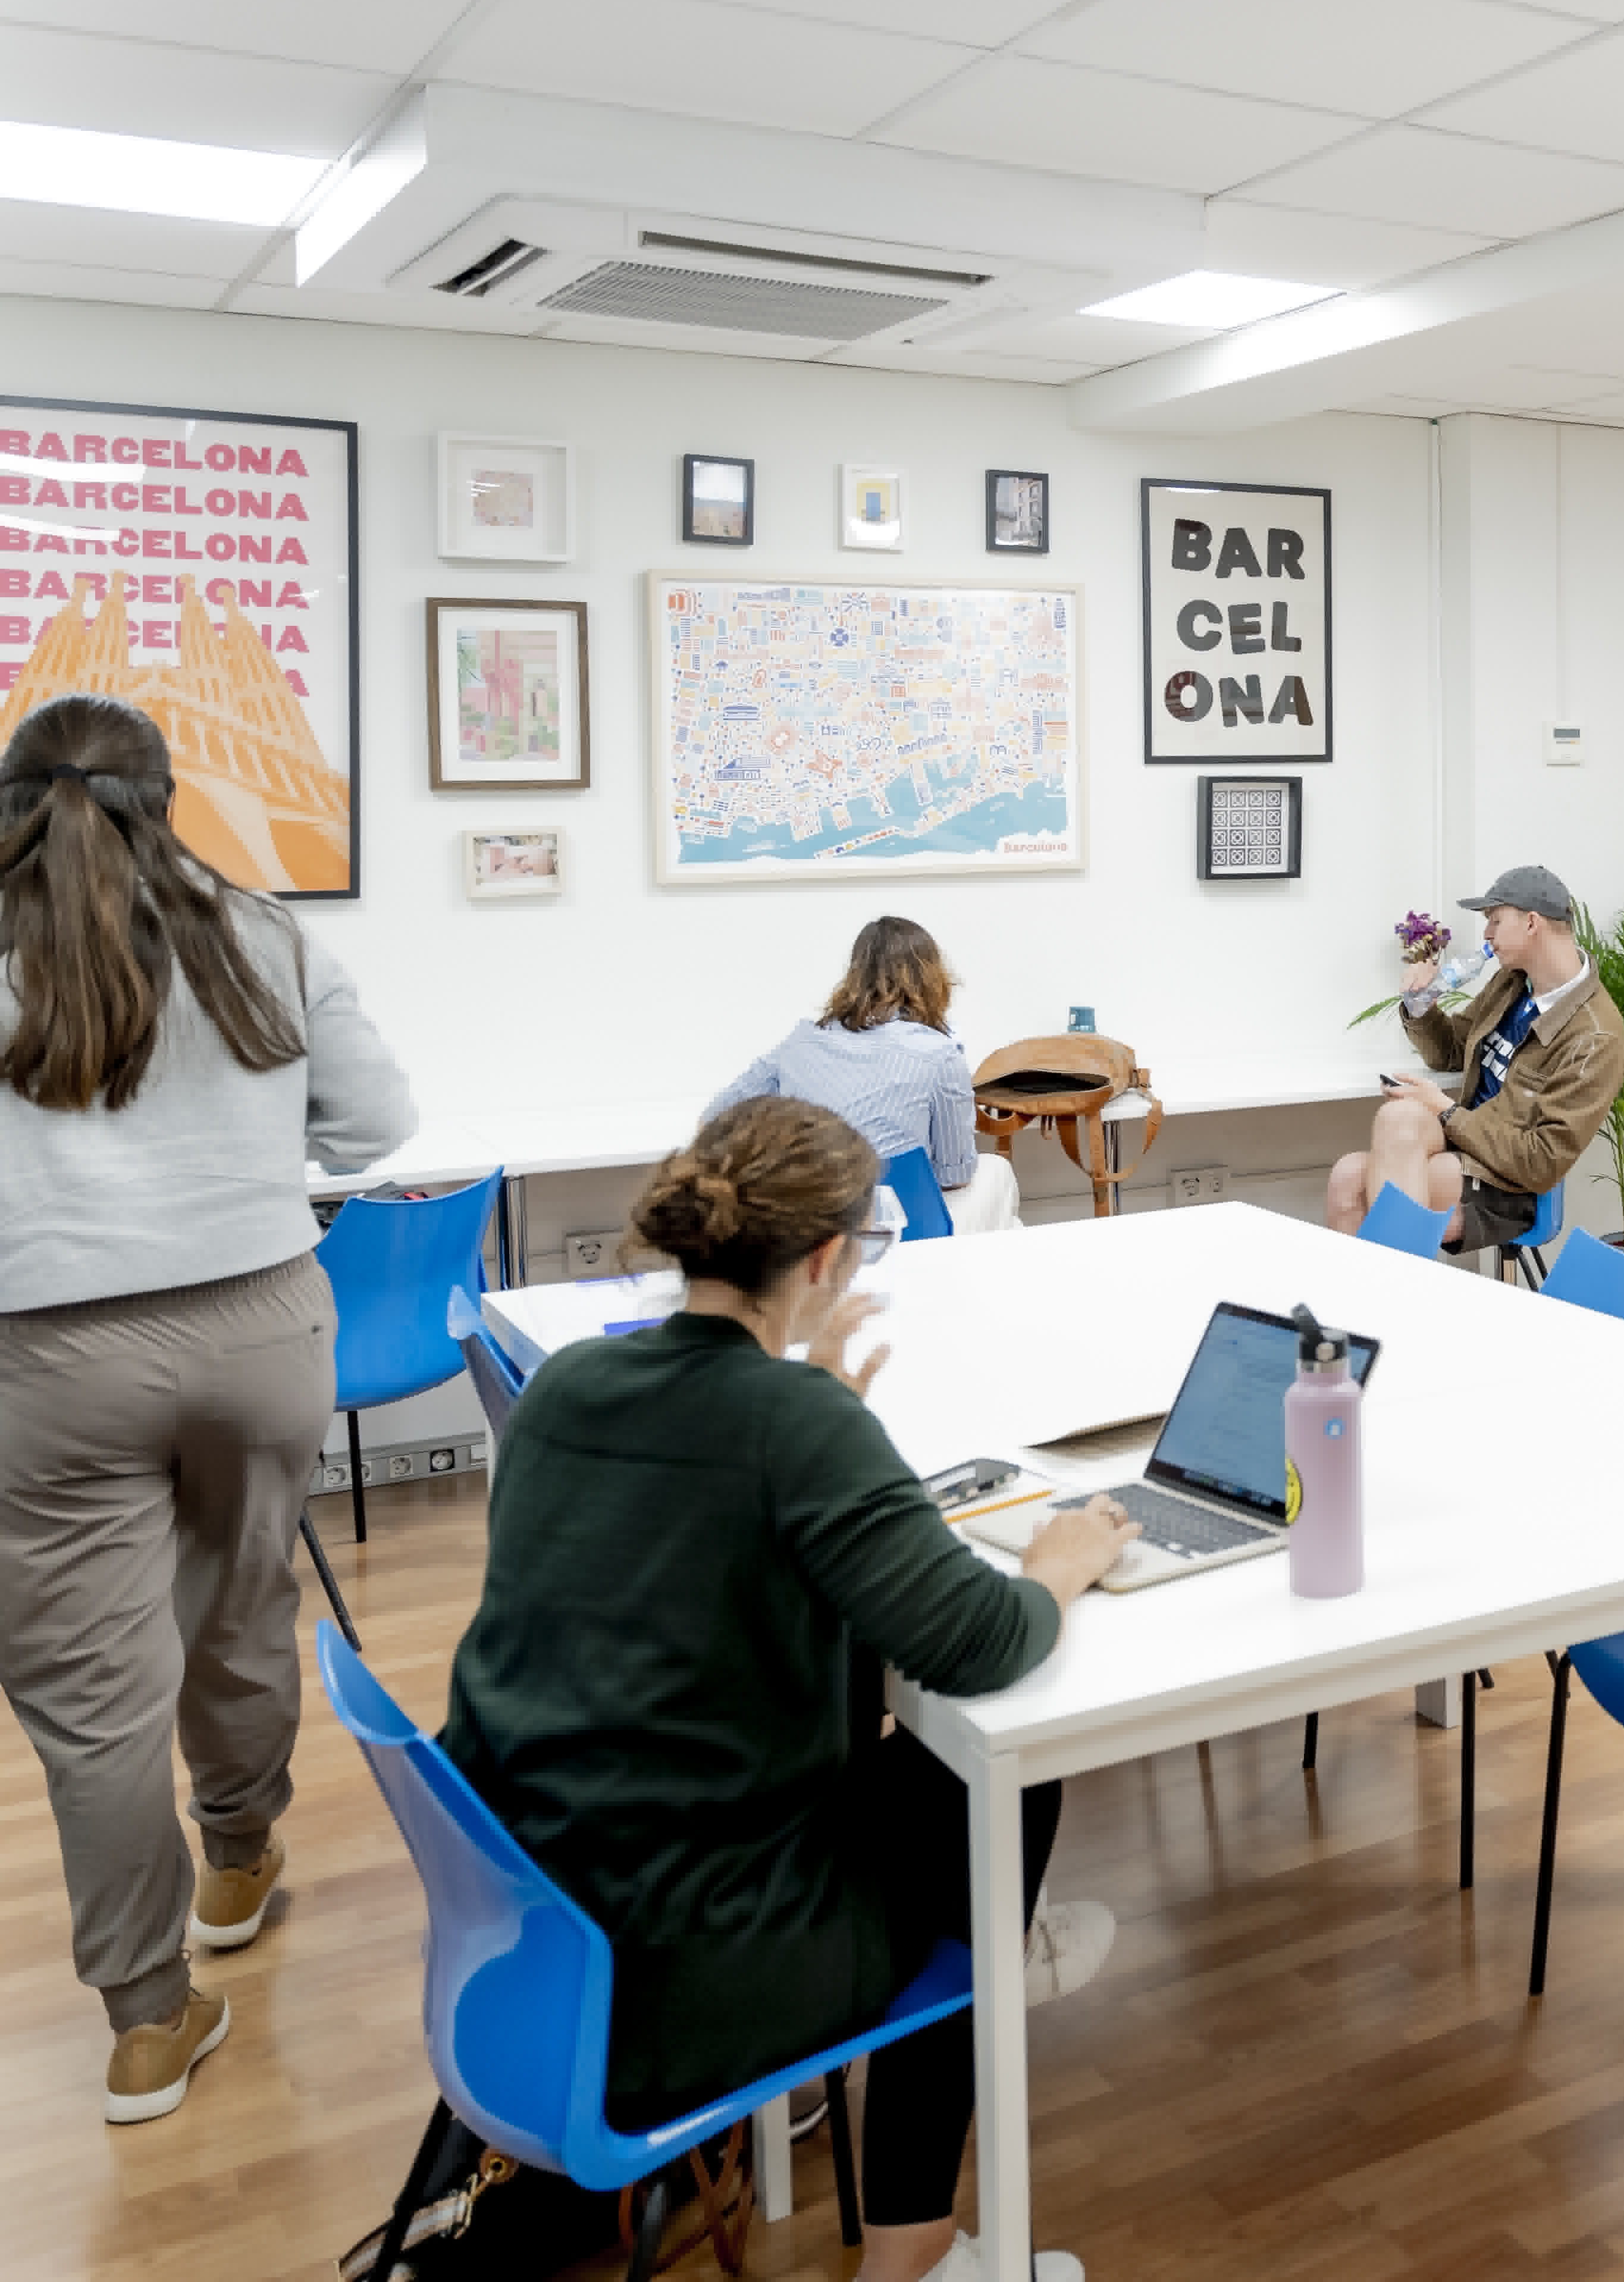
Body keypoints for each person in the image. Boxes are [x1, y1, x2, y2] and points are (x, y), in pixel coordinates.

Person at [440, 1098, 1138, 2282]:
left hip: (537, 1911)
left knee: (930, 1782)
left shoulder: (568, 1385)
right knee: (1000, 1785)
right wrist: (1059, 1564)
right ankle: (915, 2243)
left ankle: (937, 2052)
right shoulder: (795, 1420)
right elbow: (982, 1640)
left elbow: (685, 1541)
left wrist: (811, 1407)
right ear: (827, 1256)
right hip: (690, 1962)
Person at [0, 693, 415, 2123]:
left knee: (92, 1700)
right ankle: (240, 1861)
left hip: (45, 1360)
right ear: (169, 799)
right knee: (238, 1607)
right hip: (260, 1323)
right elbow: (375, 1127)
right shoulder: (265, 931)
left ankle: (146, 2019)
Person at [1327, 864, 1624, 1253]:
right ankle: (1370, 1308)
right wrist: (1421, 1008)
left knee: (1354, 1182)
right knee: (1360, 1160)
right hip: (1465, 1142)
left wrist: (1446, 1112)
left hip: (1510, 1183)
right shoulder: (1512, 983)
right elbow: (1451, 1051)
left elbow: (1542, 1163)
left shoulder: (1596, 1034)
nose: (1486, 934)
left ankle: (1391, 1306)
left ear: (1532, 923)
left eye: (1495, 920)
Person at [707, 916, 1017, 1232]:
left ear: (855, 975)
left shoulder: (801, 1040)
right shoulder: (940, 1054)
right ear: (932, 978)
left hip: (811, 1227)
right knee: (998, 1173)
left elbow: (715, 1118)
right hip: (906, 1228)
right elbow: (955, 1174)